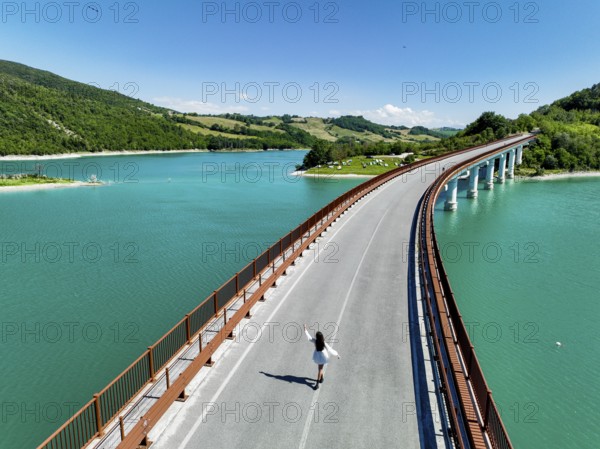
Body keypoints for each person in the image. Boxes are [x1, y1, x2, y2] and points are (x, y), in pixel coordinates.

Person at [304, 324, 340, 390]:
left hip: (317, 356)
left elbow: (309, 338)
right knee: (320, 369)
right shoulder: (323, 343)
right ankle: (320, 379)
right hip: (323, 356)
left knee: (320, 369)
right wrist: (337, 354)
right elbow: (330, 349)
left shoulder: (315, 341)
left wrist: (305, 330)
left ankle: (318, 382)